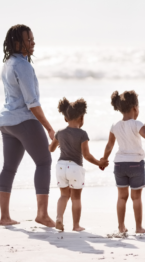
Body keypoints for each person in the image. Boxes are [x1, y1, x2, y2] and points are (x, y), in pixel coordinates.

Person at [0, 24, 55, 227]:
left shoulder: (8, 64)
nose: (33, 42)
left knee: (9, 168)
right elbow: (32, 103)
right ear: (16, 42)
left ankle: (4, 217)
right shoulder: (23, 65)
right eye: (28, 39)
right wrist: (48, 127)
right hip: (23, 120)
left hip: (6, 122)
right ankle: (42, 214)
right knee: (44, 162)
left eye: (32, 38)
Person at [48, 97, 109, 231]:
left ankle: (59, 217)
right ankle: (76, 226)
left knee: (64, 195)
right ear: (81, 118)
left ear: (65, 118)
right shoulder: (82, 134)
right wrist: (99, 162)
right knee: (76, 198)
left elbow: (51, 149)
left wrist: (53, 142)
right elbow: (86, 155)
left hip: (60, 167)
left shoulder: (59, 133)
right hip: (75, 168)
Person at [102, 90, 145, 234]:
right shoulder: (137, 124)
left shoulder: (115, 125)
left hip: (119, 164)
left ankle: (121, 227)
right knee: (136, 197)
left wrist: (104, 159)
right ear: (134, 108)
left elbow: (109, 146)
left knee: (121, 197)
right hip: (136, 164)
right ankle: (138, 227)